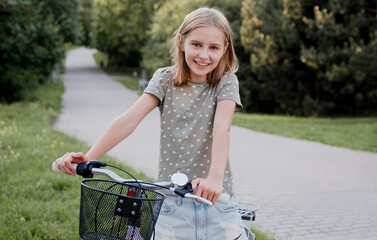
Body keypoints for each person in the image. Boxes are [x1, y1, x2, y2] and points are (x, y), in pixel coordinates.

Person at [55, 7, 253, 240]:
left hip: (217, 201)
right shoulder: (165, 79)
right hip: (171, 203)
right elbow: (129, 120)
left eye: (213, 48)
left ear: (225, 49)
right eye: (196, 44)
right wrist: (88, 157)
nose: (203, 55)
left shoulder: (226, 82)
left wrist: (215, 179)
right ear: (181, 42)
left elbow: (222, 127)